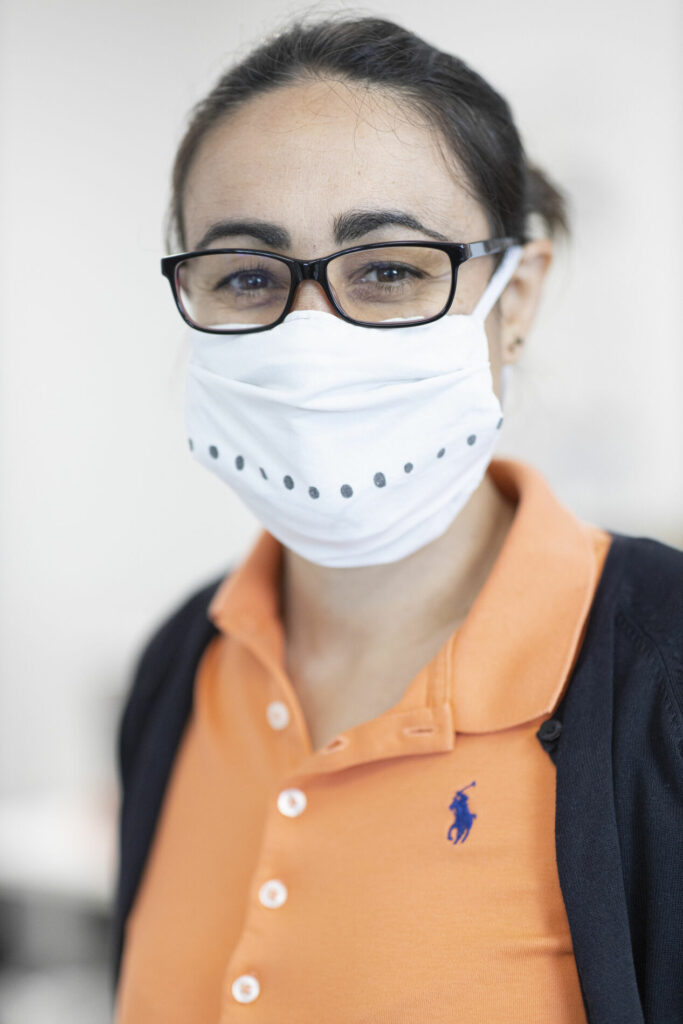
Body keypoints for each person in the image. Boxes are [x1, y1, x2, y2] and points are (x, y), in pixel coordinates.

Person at [110, 16, 683, 1023]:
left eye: (388, 270)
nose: (308, 334)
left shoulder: (662, 668)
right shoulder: (181, 665)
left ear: (515, 300)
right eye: (246, 277)